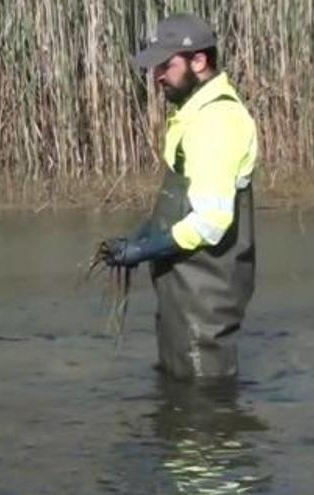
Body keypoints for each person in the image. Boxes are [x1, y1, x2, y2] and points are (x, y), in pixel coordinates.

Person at [100, 13, 258, 379]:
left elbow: (211, 223)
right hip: (184, 297)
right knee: (178, 401)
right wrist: (143, 234)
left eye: (166, 66)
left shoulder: (216, 123)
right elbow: (188, 202)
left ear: (199, 61)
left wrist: (144, 251)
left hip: (205, 302)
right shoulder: (194, 115)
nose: (157, 76)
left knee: (204, 408)